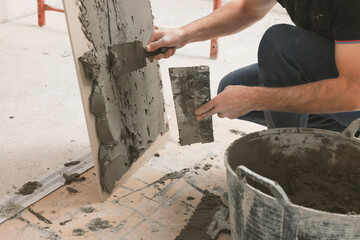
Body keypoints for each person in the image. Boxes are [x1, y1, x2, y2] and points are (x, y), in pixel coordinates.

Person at [146, 0, 360, 132]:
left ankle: (288, 163)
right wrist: (184, 34)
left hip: (354, 92)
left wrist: (253, 98)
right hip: (343, 74)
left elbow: (354, 92)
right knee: (231, 87)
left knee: (279, 44)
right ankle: (332, 134)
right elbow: (246, 10)